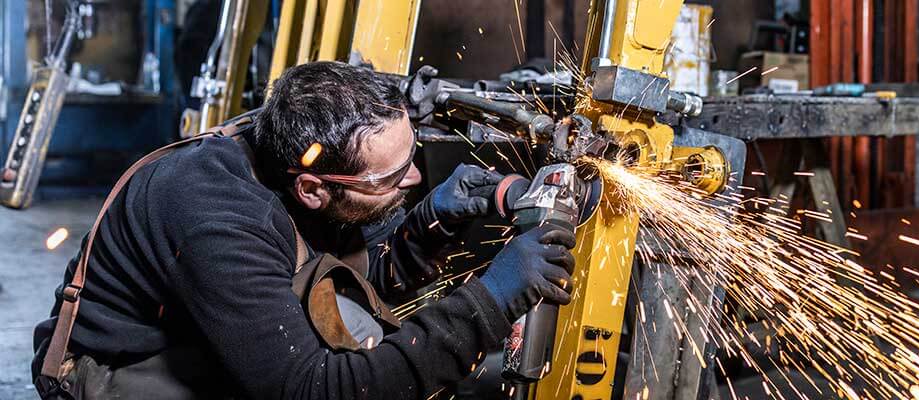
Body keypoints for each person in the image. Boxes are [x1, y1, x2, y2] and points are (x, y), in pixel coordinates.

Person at [32, 61, 576, 399]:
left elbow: (340, 289)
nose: (411, 177)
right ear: (313, 188)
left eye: (413, 158)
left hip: (208, 329)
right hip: (121, 373)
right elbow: (315, 389)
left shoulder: (293, 142)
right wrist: (488, 302)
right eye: (391, 175)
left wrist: (432, 221)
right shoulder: (215, 219)